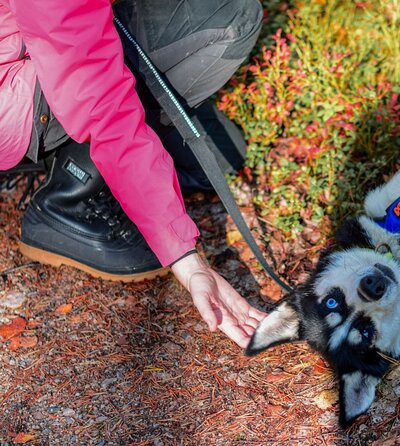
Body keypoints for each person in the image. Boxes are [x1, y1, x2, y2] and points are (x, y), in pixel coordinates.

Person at [0, 0, 267, 348]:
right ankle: (71, 195)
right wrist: (185, 259)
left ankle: (127, 153)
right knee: (231, 16)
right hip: (18, 94)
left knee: (219, 155)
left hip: (40, 39)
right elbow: (102, 103)